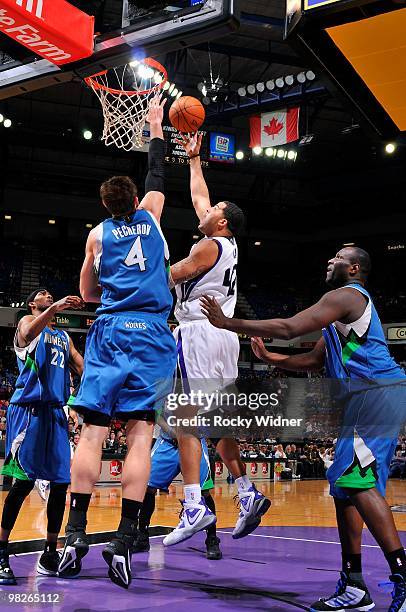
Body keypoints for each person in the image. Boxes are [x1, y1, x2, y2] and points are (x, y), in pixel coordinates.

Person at [201, 246, 406, 611]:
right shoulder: (338, 315)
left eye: (339, 258)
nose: (330, 260)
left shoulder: (346, 296)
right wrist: (272, 358)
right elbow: (315, 358)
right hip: (365, 398)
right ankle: (354, 585)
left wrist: (228, 322)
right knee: (344, 489)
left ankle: (402, 577)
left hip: (376, 392)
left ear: (355, 268)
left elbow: (290, 327)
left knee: (354, 480)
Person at [58, 95, 177, 589]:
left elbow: (86, 294)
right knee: (141, 437)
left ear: (105, 207)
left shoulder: (96, 236)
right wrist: (153, 128)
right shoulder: (150, 216)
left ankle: (76, 535)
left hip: (110, 329)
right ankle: (127, 539)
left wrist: (95, 268)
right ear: (135, 201)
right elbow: (157, 177)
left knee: (90, 435)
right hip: (150, 334)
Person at [163, 132, 271, 547]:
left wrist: (134, 268)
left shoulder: (209, 245)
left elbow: (174, 274)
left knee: (185, 415)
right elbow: (199, 199)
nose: (206, 211)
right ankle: (247, 492)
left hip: (199, 331)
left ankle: (194, 504)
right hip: (223, 336)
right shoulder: (229, 244)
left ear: (221, 222)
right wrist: (193, 161)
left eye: (215, 211)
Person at [0, 289, 84, 585]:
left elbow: (80, 366)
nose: (48, 293)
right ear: (33, 304)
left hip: (55, 414)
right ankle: (1, 553)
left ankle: (50, 551)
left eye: (51, 294)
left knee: (60, 486)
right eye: (42, 294)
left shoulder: (63, 337)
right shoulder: (27, 323)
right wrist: (56, 307)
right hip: (29, 412)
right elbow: (28, 330)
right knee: (22, 484)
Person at [133, 433, 222, 560]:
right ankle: (142, 535)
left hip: (194, 442)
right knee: (147, 487)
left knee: (203, 492)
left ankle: (212, 539)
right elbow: (159, 417)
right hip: (168, 443)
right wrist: (176, 434)